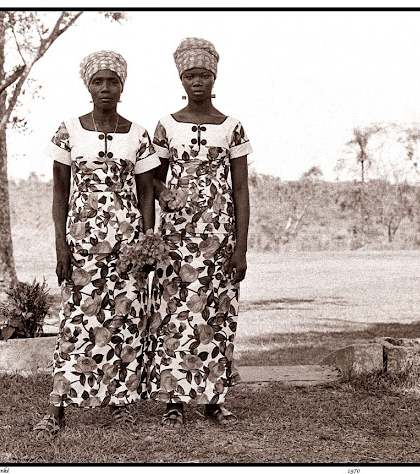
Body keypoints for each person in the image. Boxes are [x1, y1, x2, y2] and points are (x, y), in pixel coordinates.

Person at [34, 50, 159, 435]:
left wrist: (147, 245)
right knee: (77, 324)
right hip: (83, 245)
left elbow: (146, 194)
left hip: (127, 249)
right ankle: (57, 409)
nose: (105, 88)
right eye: (98, 82)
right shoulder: (68, 130)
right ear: (87, 86)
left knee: (125, 322)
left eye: (113, 81)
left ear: (123, 86)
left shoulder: (138, 134)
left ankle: (121, 403)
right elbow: (59, 193)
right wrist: (61, 245)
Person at [147, 37, 252, 428]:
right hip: (176, 236)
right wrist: (165, 195)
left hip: (219, 236)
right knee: (175, 313)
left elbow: (240, 189)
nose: (197, 82)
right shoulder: (166, 125)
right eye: (190, 75)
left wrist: (240, 248)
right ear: (181, 78)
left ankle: (214, 400)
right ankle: (173, 400)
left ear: (214, 77)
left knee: (217, 313)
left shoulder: (232, 127)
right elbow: (152, 180)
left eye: (204, 75)